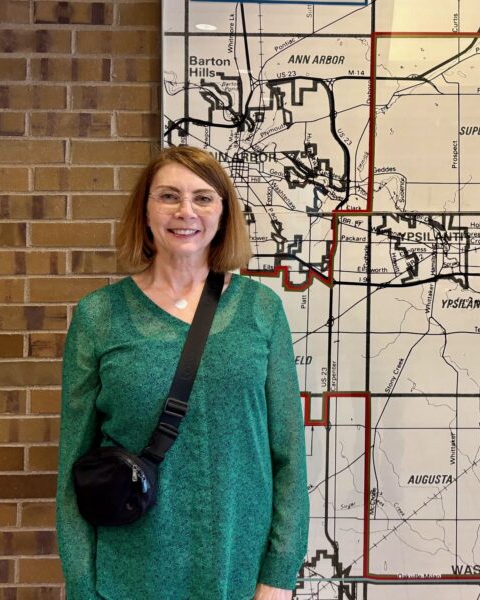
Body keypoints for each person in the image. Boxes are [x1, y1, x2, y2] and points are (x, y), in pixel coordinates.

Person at [56, 146, 309, 600]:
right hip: (127, 578)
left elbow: (288, 457)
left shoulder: (261, 310)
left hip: (238, 573)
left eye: (203, 198)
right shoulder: (99, 317)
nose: (185, 211)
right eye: (168, 196)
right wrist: (80, 583)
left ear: (223, 212)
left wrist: (279, 575)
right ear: (146, 211)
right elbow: (72, 466)